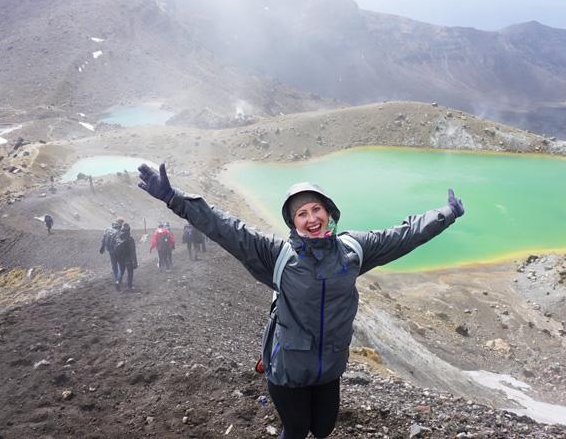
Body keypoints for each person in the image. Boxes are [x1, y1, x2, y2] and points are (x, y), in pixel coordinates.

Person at [137, 163, 465, 439]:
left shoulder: (353, 251)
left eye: (316, 209)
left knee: (323, 429)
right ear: (293, 222)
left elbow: (403, 235)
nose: (311, 218)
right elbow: (225, 228)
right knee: (296, 430)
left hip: (329, 365)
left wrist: (445, 214)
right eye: (301, 213)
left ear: (329, 212)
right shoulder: (277, 256)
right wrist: (173, 198)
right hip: (288, 369)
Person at [115, 223, 138, 291]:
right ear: (129, 230)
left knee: (121, 271)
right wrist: (135, 262)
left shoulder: (118, 238)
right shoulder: (130, 239)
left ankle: (117, 282)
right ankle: (129, 286)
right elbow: (133, 252)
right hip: (128, 258)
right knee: (130, 271)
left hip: (120, 258)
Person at [100, 219, 123, 285]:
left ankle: (117, 279)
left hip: (110, 250)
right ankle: (119, 279)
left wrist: (102, 248)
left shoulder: (107, 230)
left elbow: (103, 239)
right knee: (120, 265)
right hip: (118, 251)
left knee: (114, 265)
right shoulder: (120, 231)